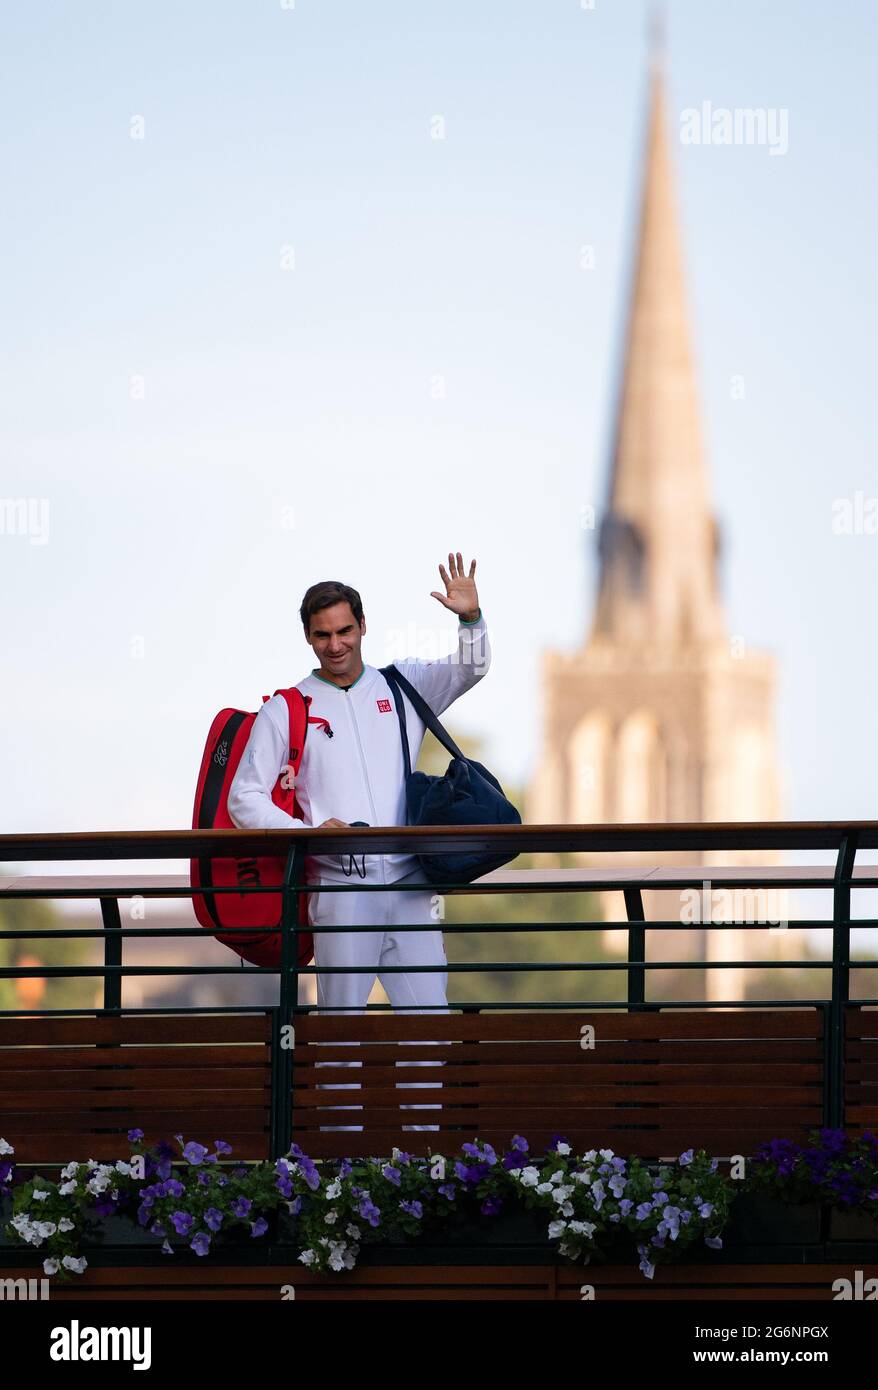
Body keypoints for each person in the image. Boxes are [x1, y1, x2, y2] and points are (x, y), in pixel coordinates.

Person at [226, 552, 491, 1130]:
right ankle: (341, 1172)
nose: (335, 644)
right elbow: (244, 800)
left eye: (345, 630)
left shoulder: (402, 685)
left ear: (363, 626)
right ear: (307, 637)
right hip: (340, 889)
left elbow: (470, 670)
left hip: (413, 885)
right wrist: (305, 833)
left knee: (430, 1023)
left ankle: (428, 1157)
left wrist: (470, 620)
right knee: (340, 1029)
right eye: (322, 635)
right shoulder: (285, 708)